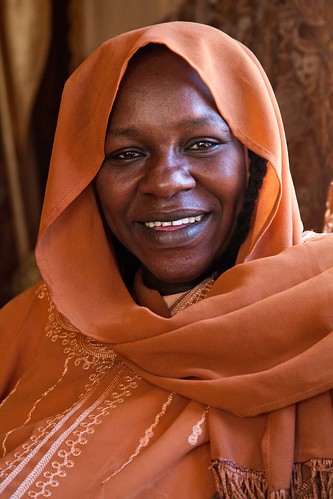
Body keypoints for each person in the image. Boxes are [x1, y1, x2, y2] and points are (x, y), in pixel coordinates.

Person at [1, 21, 333, 498]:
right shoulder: (32, 323)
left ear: (254, 159)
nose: (166, 181)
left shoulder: (319, 316)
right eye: (126, 154)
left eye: (201, 144)